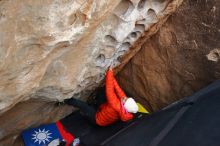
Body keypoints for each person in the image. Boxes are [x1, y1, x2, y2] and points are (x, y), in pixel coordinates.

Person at [64, 68, 138, 126]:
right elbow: (118, 90)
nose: (125, 98)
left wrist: (109, 73)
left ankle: (65, 100)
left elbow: (110, 91)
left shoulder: (117, 106)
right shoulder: (125, 105)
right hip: (103, 109)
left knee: (83, 106)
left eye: (126, 99)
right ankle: (95, 104)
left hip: (97, 119)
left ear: (124, 105)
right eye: (127, 98)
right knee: (102, 91)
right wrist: (111, 76)